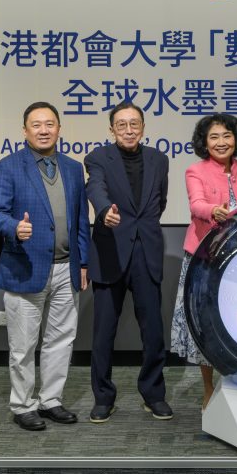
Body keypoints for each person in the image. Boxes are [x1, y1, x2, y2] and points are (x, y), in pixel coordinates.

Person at [0, 102, 91, 431]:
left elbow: (80, 221)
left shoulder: (73, 168)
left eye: (49, 124)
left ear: (59, 128)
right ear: (25, 131)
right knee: (23, 345)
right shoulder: (8, 167)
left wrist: (83, 261)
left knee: (61, 340)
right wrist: (15, 227)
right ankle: (22, 405)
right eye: (36, 125)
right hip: (26, 267)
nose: (43, 130)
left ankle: (51, 400)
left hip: (66, 268)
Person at [85, 101, 172, 423]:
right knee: (103, 333)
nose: (129, 130)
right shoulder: (98, 158)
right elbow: (95, 187)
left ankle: (154, 394)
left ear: (143, 127)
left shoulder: (159, 160)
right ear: (112, 129)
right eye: (121, 124)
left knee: (153, 331)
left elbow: (161, 201)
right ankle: (103, 398)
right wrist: (104, 210)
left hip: (146, 252)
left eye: (134, 123)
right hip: (110, 251)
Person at [171, 114, 237, 410]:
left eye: (227, 135)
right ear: (204, 143)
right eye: (214, 137)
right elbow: (196, 204)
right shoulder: (195, 170)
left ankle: (236, 381)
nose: (221, 142)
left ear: (236, 139)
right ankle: (208, 387)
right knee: (206, 323)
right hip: (205, 257)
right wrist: (213, 211)